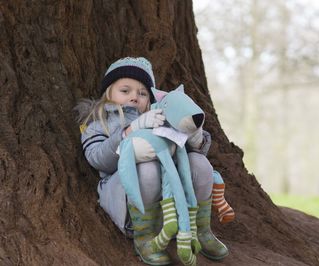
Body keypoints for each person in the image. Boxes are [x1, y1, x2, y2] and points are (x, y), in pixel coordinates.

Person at [75, 57, 228, 265]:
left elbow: (186, 151)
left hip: (171, 202)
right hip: (127, 197)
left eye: (142, 93)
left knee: (200, 164)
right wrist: (130, 130)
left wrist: (195, 135)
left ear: (150, 98)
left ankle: (199, 228)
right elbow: (98, 160)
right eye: (125, 90)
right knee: (147, 169)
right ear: (108, 93)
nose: (134, 97)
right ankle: (145, 236)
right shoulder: (97, 123)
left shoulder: (160, 116)